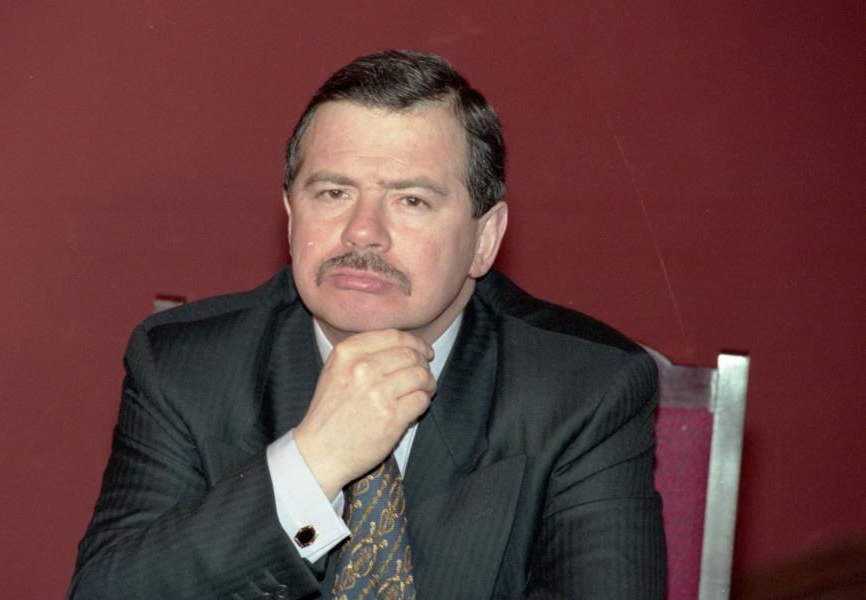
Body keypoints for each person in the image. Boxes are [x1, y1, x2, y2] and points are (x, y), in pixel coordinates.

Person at [69, 50, 666, 599]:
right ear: (290, 216)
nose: (362, 232)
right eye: (333, 193)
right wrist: (312, 462)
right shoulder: (186, 366)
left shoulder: (582, 388)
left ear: (485, 239)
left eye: (411, 201)